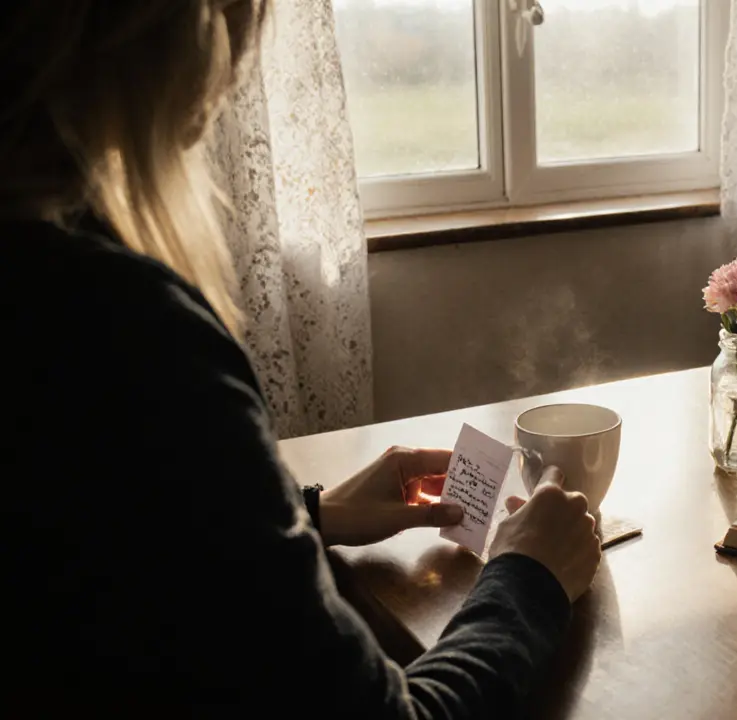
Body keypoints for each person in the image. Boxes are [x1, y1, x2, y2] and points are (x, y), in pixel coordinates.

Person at [0, 1, 601, 716]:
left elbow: (115, 554)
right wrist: (526, 576)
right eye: (231, 20)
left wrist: (306, 515)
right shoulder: (126, 334)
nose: (233, 66)